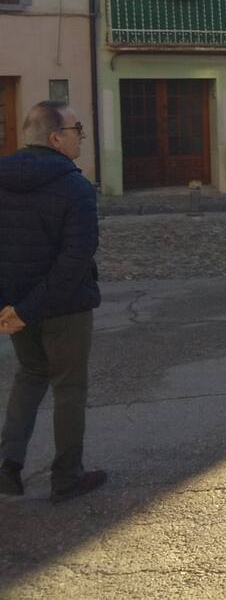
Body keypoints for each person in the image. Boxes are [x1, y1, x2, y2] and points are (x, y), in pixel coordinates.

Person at [0, 101, 106, 501]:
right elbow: (75, 259)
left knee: (30, 375)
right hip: (65, 308)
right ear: (56, 138)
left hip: (15, 307)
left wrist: (12, 309)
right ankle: (66, 476)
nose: (82, 136)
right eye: (77, 129)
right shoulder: (75, 187)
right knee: (69, 387)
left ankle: (8, 466)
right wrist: (26, 309)